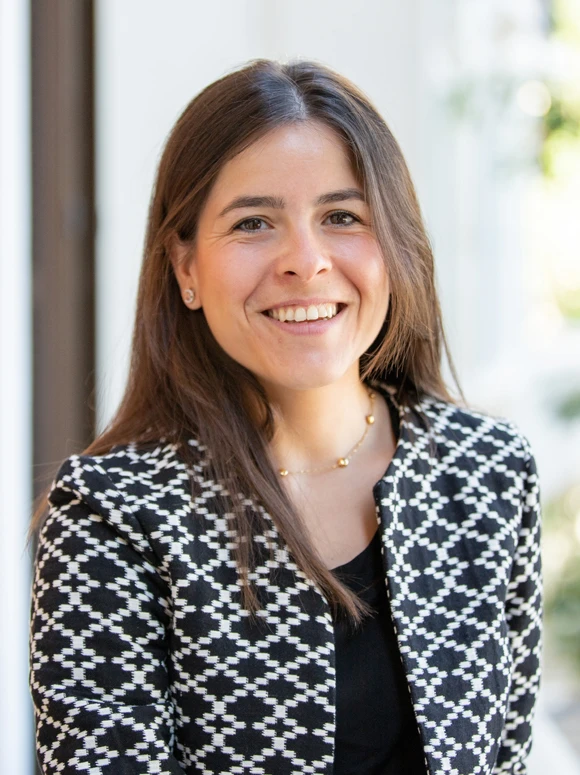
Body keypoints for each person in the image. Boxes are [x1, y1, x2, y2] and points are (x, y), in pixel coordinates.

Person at [29, 59, 542, 775]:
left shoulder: (487, 473)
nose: (306, 261)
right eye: (254, 223)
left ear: (393, 243)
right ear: (186, 268)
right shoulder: (110, 515)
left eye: (342, 217)